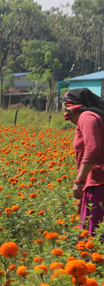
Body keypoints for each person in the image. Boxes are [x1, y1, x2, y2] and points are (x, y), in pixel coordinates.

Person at [63, 88, 104, 235]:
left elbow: (92, 149)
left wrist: (79, 181)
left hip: (99, 182)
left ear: (74, 107)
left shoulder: (87, 117)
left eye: (66, 106)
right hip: (94, 181)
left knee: (94, 234)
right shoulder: (91, 117)